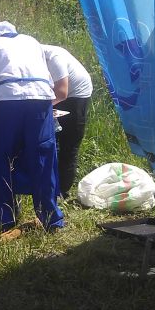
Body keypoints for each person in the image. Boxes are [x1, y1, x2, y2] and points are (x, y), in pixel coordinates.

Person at [0, 21, 64, 232]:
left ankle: (7, 218)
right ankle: (51, 218)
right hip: (41, 100)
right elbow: (47, 77)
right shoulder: (32, 42)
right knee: (42, 157)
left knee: (3, 157)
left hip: (7, 102)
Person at [42, 44, 93, 198]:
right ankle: (48, 186)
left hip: (76, 95)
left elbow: (61, 93)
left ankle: (62, 191)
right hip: (56, 92)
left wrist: (38, 108)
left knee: (69, 144)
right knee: (51, 141)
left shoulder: (53, 57)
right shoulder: (31, 58)